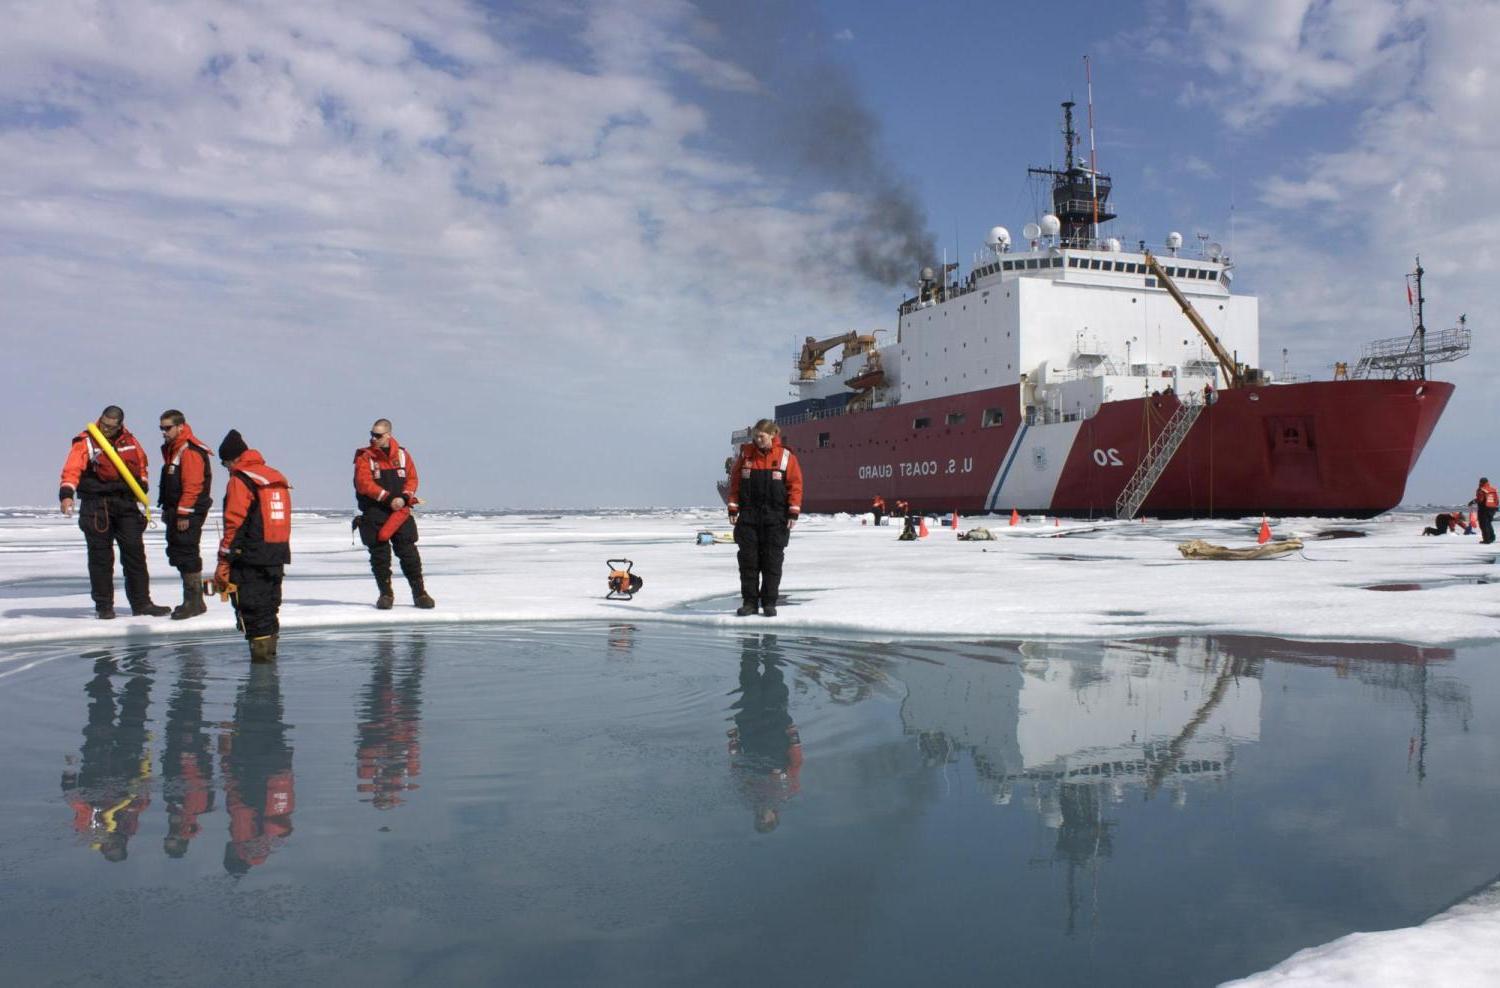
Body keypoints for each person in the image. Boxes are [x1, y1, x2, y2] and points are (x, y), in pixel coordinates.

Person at [59, 406, 171, 619]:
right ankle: (104, 607)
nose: (106, 429)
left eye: (111, 427)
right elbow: (71, 470)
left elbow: (141, 465)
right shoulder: (86, 441)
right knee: (100, 558)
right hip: (97, 506)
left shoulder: (130, 441)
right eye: (104, 424)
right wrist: (66, 494)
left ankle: (142, 604)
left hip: (126, 505)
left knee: (135, 555)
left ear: (120, 425)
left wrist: (142, 486)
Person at [214, 430, 291, 663]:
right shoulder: (274, 476)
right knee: (269, 610)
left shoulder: (241, 480)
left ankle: (260, 678)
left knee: (251, 612)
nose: (226, 468)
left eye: (225, 463)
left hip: (249, 558)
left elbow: (234, 523)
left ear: (233, 459)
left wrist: (224, 560)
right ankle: (270, 664)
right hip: (276, 555)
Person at [354, 419, 434, 610]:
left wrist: (405, 497)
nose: (373, 438)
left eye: (378, 435)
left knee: (409, 553)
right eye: (372, 434)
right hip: (375, 512)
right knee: (380, 556)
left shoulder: (403, 455)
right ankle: (386, 594)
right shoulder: (365, 458)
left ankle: (420, 593)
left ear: (388, 435)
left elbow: (412, 479)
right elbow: (363, 483)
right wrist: (388, 498)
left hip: (400, 512)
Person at [727, 419, 803, 617]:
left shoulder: (786, 457)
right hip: (749, 518)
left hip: (776, 519)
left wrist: (793, 512)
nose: (758, 440)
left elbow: (795, 486)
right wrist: (733, 508)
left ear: (772, 435)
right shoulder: (745, 456)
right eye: (756, 436)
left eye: (762, 436)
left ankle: (769, 603)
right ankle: (750, 603)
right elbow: (735, 484)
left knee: (772, 562)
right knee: (749, 563)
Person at [727, 635, 803, 833]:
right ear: (775, 816)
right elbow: (795, 764)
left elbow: (737, 766)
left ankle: (749, 645)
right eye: (766, 820)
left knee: (750, 683)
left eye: (759, 820)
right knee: (774, 679)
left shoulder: (747, 795)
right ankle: (770, 641)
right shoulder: (786, 793)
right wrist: (794, 738)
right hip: (776, 724)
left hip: (750, 726)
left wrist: (733, 741)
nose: (761, 817)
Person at [157, 410, 214, 620]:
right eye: (161, 428)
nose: (164, 432)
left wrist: (183, 514)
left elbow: (193, 485)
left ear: (180, 426)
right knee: (178, 553)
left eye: (167, 428)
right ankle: (192, 600)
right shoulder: (175, 450)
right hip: (176, 510)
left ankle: (195, 601)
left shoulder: (189, 451)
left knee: (187, 552)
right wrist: (167, 509)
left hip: (188, 512)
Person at [1470, 477, 1497, 545]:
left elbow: (1480, 499)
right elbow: (1496, 499)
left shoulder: (1481, 489)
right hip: (1493, 508)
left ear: (1481, 482)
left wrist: (1473, 502)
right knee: (1488, 523)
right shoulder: (1492, 489)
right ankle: (1492, 537)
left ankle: (1487, 540)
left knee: (1483, 524)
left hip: (1484, 508)